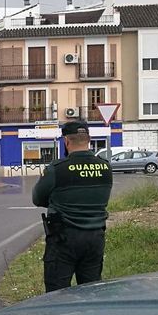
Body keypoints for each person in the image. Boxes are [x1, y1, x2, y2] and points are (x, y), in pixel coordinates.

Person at [32, 120, 114, 292]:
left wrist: (59, 201)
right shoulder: (105, 168)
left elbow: (38, 198)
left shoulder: (57, 169)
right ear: (89, 140)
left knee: (57, 294)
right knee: (92, 292)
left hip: (64, 238)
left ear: (66, 141)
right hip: (95, 237)